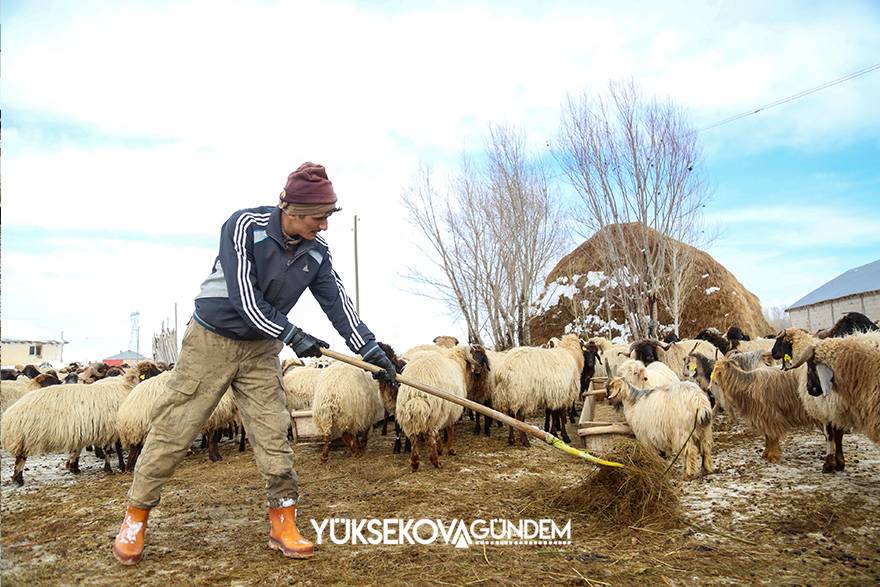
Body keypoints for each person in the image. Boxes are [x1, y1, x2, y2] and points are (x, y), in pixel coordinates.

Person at [112, 162, 398, 564]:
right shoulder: (244, 226)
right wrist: (294, 335)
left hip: (262, 347)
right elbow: (244, 298)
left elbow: (339, 306)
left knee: (272, 431)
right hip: (212, 340)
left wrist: (371, 351)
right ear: (294, 211)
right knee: (175, 428)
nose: (325, 226)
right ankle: (136, 516)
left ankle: (283, 519)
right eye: (320, 218)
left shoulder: (316, 253)